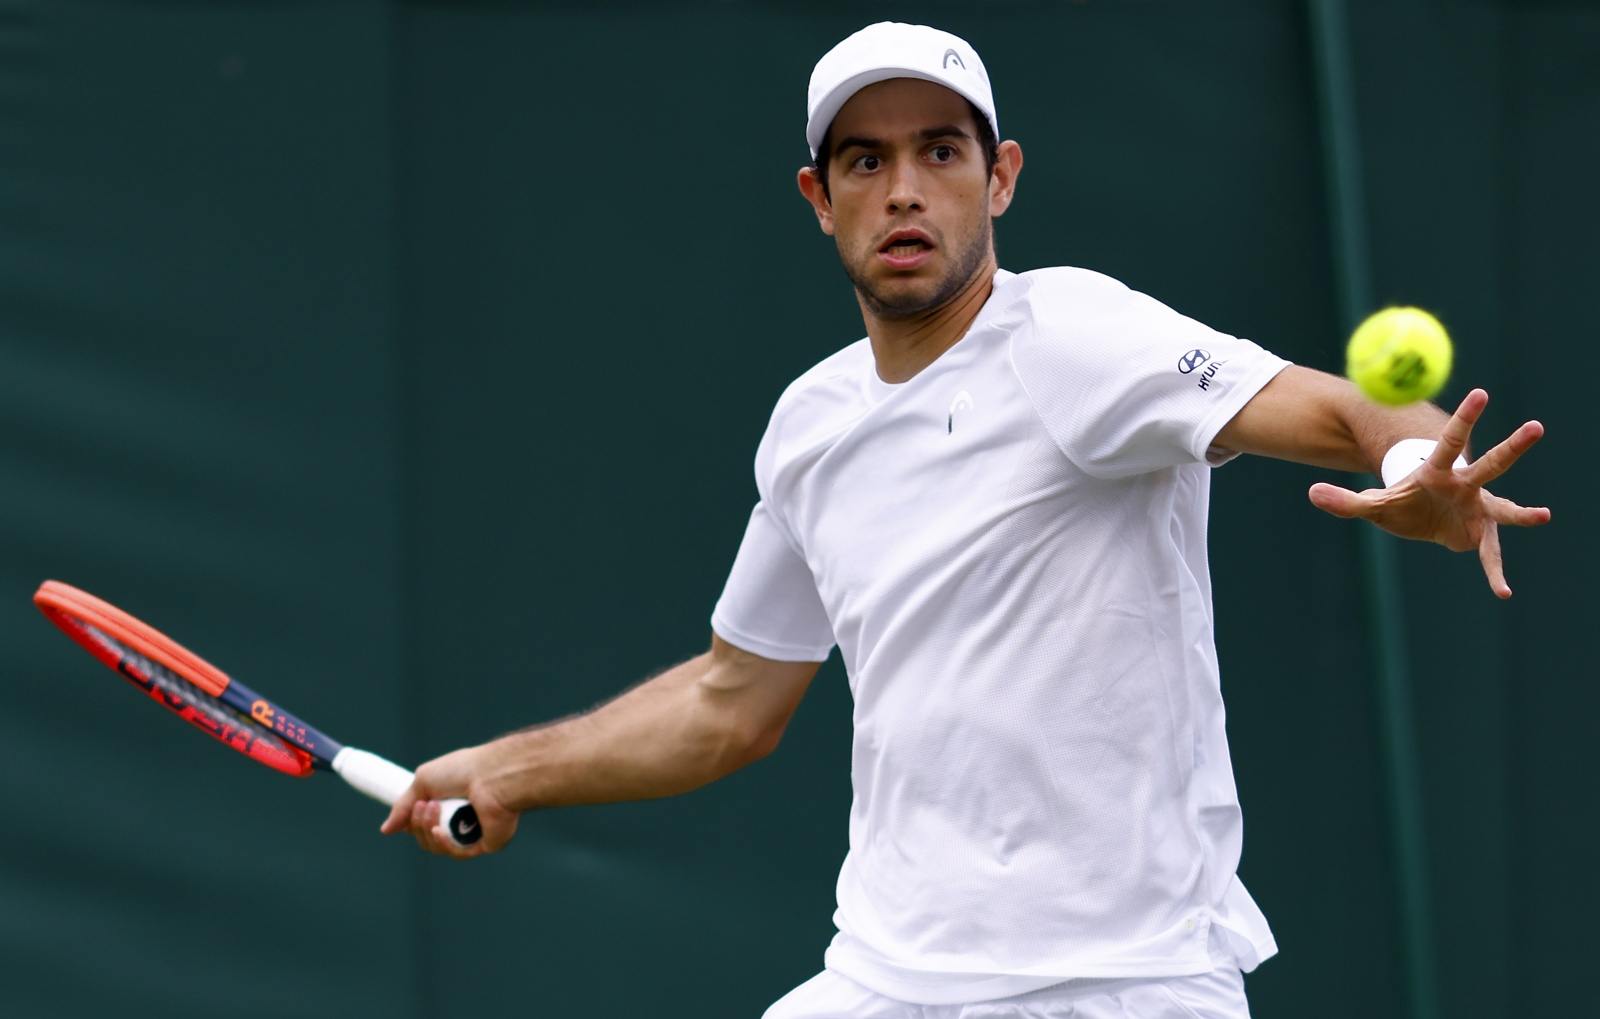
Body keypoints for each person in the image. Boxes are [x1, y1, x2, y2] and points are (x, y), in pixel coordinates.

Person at [382, 21, 1549, 1019]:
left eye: (940, 152)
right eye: (864, 159)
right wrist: (509, 768)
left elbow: (1341, 406)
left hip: (1124, 980)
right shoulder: (810, 427)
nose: (902, 188)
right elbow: (724, 705)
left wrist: (1416, 465)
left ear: (999, 179)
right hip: (889, 975)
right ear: (818, 196)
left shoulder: (1079, 337)